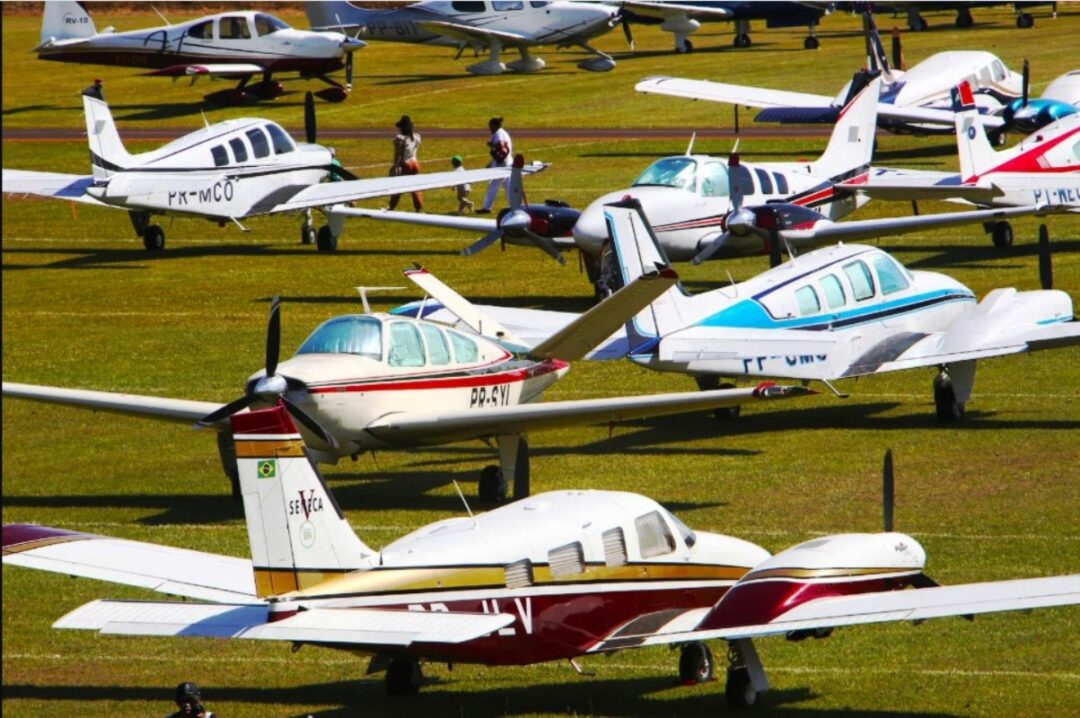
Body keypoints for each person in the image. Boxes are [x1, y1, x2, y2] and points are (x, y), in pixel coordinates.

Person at [387, 114, 423, 212]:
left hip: (406, 164)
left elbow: (398, 154)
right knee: (415, 187)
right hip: (415, 163)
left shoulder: (400, 138)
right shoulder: (416, 137)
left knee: (398, 187)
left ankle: (391, 208)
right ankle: (418, 209)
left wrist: (395, 167)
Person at [478, 116, 511, 214]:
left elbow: (500, 146)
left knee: (493, 185)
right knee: (508, 186)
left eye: (490, 127)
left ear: (495, 125)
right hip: (507, 163)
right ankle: (514, 206)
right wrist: (491, 163)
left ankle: (486, 208)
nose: (490, 129)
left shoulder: (498, 134)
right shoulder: (503, 132)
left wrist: (491, 144)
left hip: (501, 165)